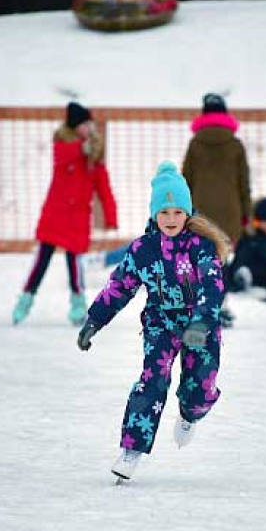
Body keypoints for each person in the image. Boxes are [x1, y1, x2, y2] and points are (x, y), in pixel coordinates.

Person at [76, 161, 231, 482]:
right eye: (164, 212)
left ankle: (190, 414)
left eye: (177, 212)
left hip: (199, 325)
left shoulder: (200, 248)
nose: (171, 219)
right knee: (153, 380)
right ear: (154, 214)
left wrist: (201, 323)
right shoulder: (143, 250)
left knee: (199, 389)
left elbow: (212, 287)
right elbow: (119, 287)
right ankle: (131, 451)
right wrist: (94, 319)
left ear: (187, 213)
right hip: (161, 323)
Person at [14, 102, 118, 326]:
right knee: (41, 262)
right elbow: (62, 156)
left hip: (78, 218)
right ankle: (25, 300)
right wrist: (81, 149)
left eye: (90, 123)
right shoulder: (62, 145)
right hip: (55, 214)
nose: (88, 127)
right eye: (84, 124)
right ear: (74, 126)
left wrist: (111, 215)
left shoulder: (94, 154)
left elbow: (103, 187)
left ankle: (78, 307)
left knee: (75, 266)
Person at [181, 92, 251, 327]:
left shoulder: (195, 144)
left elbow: (185, 182)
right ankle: (221, 305)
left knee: (201, 260)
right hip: (230, 211)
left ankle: (201, 306)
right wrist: (246, 215)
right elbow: (244, 184)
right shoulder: (235, 145)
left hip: (201, 212)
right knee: (223, 260)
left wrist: (182, 212)